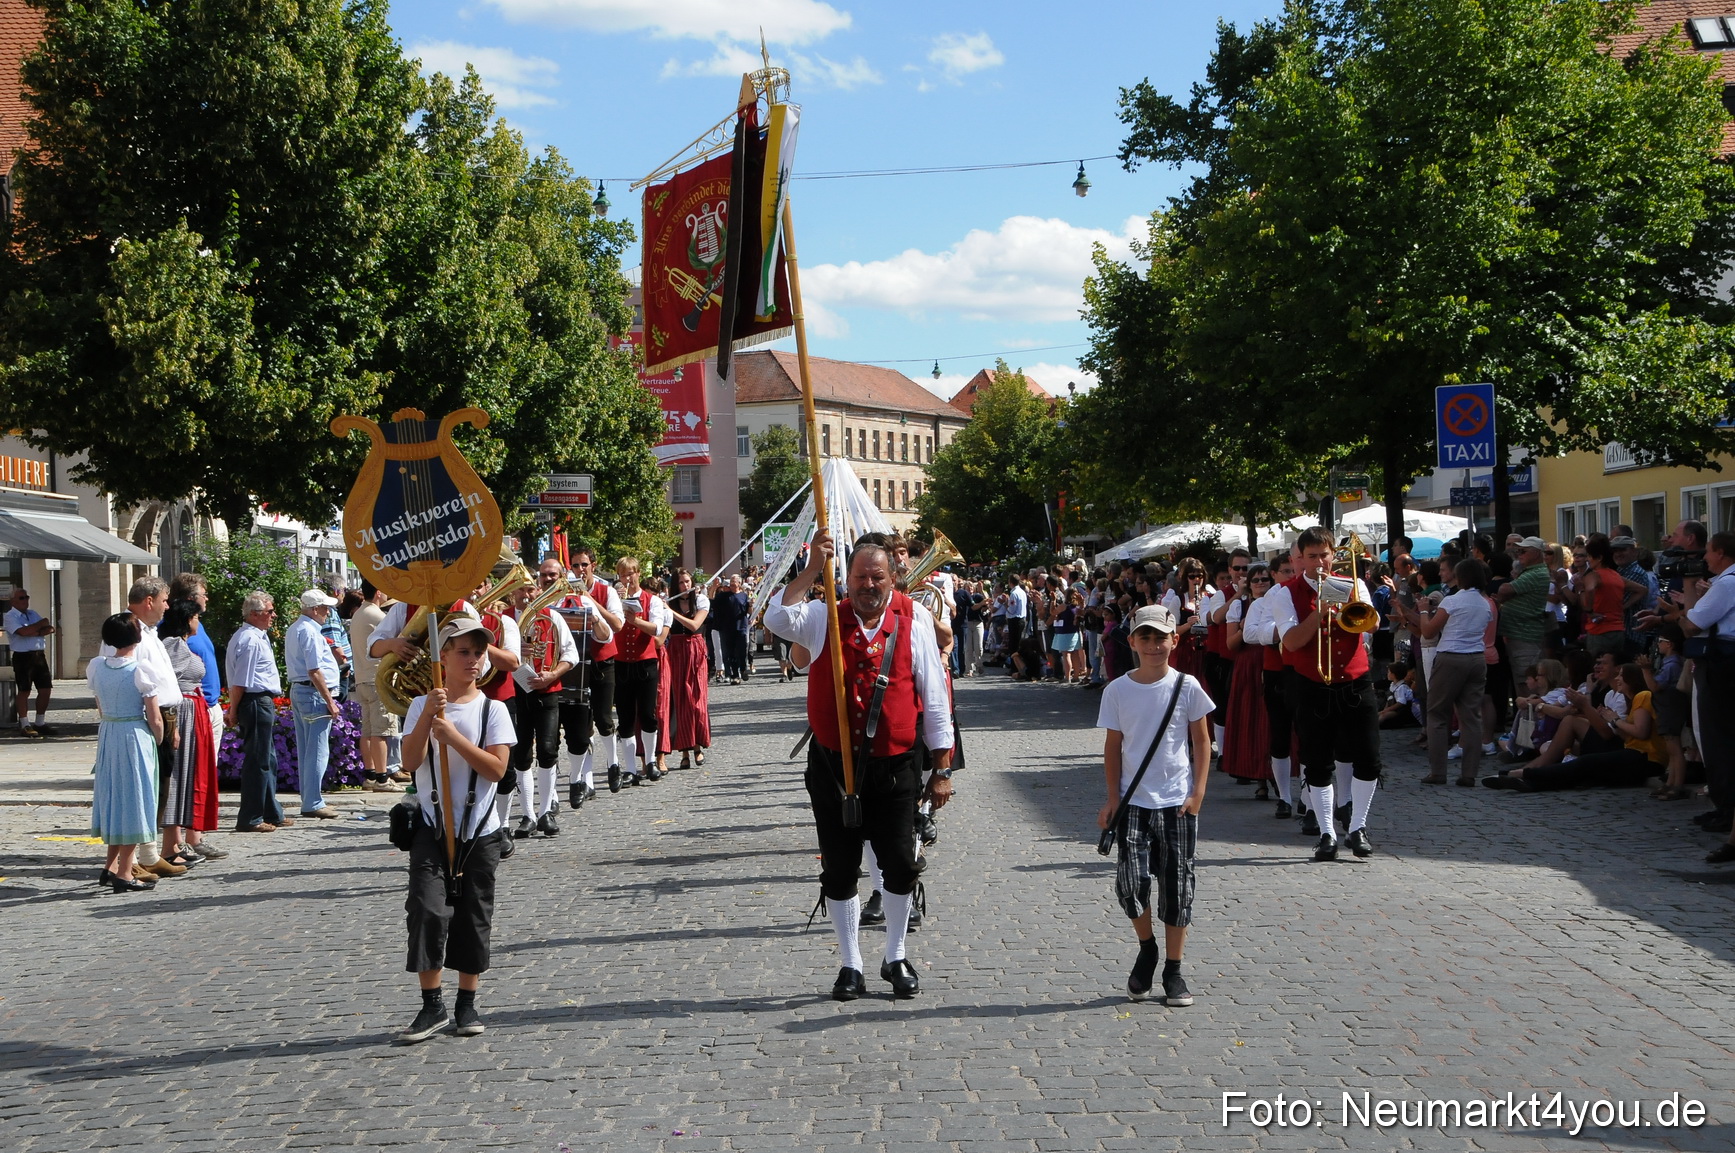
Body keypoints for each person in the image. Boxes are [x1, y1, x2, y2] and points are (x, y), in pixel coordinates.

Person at [764, 527, 954, 1001]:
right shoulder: (821, 616)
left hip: (897, 766)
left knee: (899, 864)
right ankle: (851, 963)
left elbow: (932, 697)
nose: (868, 586)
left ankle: (895, 955)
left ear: (892, 578)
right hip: (833, 766)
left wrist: (943, 766)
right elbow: (775, 617)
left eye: (877, 577)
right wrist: (812, 568)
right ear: (845, 579)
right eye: (859, 577)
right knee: (840, 869)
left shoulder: (914, 621)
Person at [397, 616, 517, 1044]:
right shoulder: (421, 705)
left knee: (473, 915)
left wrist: (454, 739)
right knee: (427, 909)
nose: (473, 660)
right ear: (443, 656)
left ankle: (467, 1001)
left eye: (479, 653)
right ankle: (432, 1005)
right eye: (463, 652)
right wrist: (429, 717)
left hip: (480, 828)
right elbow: (410, 764)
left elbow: (497, 769)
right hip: (432, 825)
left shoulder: (494, 709)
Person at [1095, 604, 1213, 1005]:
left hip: (1177, 802)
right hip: (1133, 803)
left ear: (1174, 640)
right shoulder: (1117, 690)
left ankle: (1174, 970)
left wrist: (1197, 793)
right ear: (1132, 642)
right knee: (1132, 885)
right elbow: (1113, 749)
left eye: (1160, 637)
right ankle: (1147, 947)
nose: (1153, 644)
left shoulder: (1188, 686)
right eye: (1145, 637)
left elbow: (1201, 742)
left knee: (1178, 887)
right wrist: (1113, 798)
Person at [1268, 528, 1383, 860]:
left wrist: (1349, 599)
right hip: (1310, 682)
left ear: (1334, 554)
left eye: (1326, 555)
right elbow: (1290, 642)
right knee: (1316, 760)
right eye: (1313, 556)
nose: (1320, 562)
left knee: (1368, 756)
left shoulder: (1353, 583)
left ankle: (1358, 827)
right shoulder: (1284, 594)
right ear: (1300, 558)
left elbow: (1372, 624)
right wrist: (1319, 612)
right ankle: (1327, 833)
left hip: (1355, 679)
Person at [101, 577, 185, 879]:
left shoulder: (148, 631)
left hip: (162, 714)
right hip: (144, 719)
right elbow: (121, 678)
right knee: (142, 791)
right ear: (148, 600)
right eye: (164, 600)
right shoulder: (127, 630)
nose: (167, 606)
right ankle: (133, 860)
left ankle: (147, 854)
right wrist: (157, 724)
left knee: (158, 789)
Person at [1484, 664, 1663, 792]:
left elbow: (1640, 732)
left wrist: (1614, 720)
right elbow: (1627, 736)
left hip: (1644, 757)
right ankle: (1529, 776)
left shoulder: (1642, 696)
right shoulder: (1620, 696)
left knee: (1586, 763)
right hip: (1633, 751)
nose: (1617, 679)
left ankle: (1525, 774)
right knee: (1585, 765)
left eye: (1621, 675)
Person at [88, 612, 165, 893]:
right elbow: (155, 717)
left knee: (115, 796)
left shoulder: (97, 666)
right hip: (134, 733)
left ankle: (110, 865)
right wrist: (158, 740)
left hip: (109, 732)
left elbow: (100, 704)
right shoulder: (140, 670)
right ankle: (124, 871)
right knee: (135, 799)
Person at [550, 550, 625, 796]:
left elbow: (617, 625)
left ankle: (613, 763)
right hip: (577, 664)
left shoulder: (607, 592)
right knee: (582, 724)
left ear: (593, 565)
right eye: (575, 565)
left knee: (603, 719)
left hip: (602, 662)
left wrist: (592, 603)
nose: (580, 569)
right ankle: (586, 780)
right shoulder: (565, 594)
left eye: (584, 565)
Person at [1416, 559, 1494, 787]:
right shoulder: (1484, 603)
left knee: (1437, 714)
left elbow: (1429, 631)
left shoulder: (1453, 600)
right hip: (1476, 658)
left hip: (1451, 656)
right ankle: (1469, 773)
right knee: (1471, 717)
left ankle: (1438, 771)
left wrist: (1423, 611)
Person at [168, 575, 228, 860]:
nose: (208, 598)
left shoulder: (197, 627)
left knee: (203, 773)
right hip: (191, 709)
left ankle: (196, 835)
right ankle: (181, 839)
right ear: (191, 600)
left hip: (208, 706)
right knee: (188, 774)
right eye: (204, 594)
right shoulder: (174, 636)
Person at [155, 603, 217, 867]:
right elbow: (167, 682)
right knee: (179, 777)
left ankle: (176, 843)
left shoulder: (179, 643)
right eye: (195, 617)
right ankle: (171, 846)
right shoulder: (173, 645)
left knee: (188, 776)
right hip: (183, 712)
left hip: (193, 711)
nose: (198, 622)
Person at [226, 590, 287, 834]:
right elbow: (241, 680)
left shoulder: (256, 636)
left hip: (260, 700)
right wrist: (233, 709)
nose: (273, 615)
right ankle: (251, 817)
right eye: (269, 611)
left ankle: (272, 812)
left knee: (267, 759)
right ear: (254, 614)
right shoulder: (250, 639)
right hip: (254, 701)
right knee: (258, 761)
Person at [285, 589, 344, 819]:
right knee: (317, 750)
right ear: (315, 609)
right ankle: (312, 801)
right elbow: (315, 670)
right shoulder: (309, 631)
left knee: (307, 749)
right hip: (313, 693)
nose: (328, 613)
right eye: (325, 608)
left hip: (302, 691)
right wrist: (330, 701)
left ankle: (310, 798)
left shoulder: (297, 628)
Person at [613, 556, 670, 785]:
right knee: (625, 718)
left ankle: (651, 762)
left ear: (638, 574)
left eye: (630, 574)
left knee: (647, 714)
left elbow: (655, 629)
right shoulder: (615, 599)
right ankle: (629, 768)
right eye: (623, 575)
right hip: (621, 663)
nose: (627, 579)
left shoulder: (652, 600)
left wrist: (634, 620)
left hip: (645, 663)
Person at [1220, 563, 1276, 795]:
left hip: (1273, 659)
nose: (1261, 583)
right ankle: (1258, 776)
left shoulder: (1278, 602)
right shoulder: (1239, 606)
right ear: (1249, 585)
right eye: (1256, 580)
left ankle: (1276, 774)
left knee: (1273, 720)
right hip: (1248, 664)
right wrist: (1245, 627)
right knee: (1251, 719)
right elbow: (1230, 644)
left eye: (1265, 579)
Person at [348, 581, 404, 791]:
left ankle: (370, 774)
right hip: (377, 678)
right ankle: (382, 778)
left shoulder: (358, 614)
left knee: (368, 729)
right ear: (379, 592)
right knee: (381, 730)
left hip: (362, 677)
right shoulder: (376, 615)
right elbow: (398, 636)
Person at [664, 568, 712, 769]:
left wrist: (670, 612)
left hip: (696, 651)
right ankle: (684, 752)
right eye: (681, 583)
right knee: (681, 701)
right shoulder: (669, 602)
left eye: (688, 582)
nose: (685, 586)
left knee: (697, 701)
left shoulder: (701, 601)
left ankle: (698, 747)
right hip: (676, 651)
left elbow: (694, 625)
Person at [6, 586, 56, 735]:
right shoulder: (10, 616)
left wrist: (35, 630)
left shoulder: (32, 614)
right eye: (21, 598)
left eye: (26, 597)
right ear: (13, 601)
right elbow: (22, 632)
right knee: (24, 690)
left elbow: (50, 627)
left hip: (38, 655)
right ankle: (24, 723)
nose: (25, 601)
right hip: (23, 656)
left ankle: (40, 722)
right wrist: (39, 628)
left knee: (45, 689)